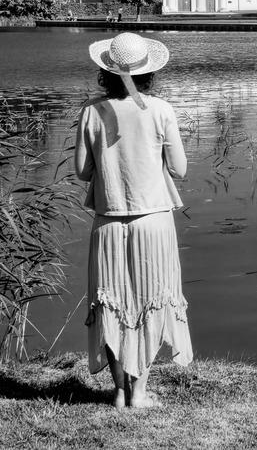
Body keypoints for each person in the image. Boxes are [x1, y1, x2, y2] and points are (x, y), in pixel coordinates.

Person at [75, 33, 192, 409]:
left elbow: (81, 170)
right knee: (149, 302)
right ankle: (139, 393)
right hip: (152, 221)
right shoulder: (160, 109)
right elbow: (180, 169)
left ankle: (120, 392)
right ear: (149, 73)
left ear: (105, 72)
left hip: (108, 222)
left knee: (111, 303)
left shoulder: (92, 112)